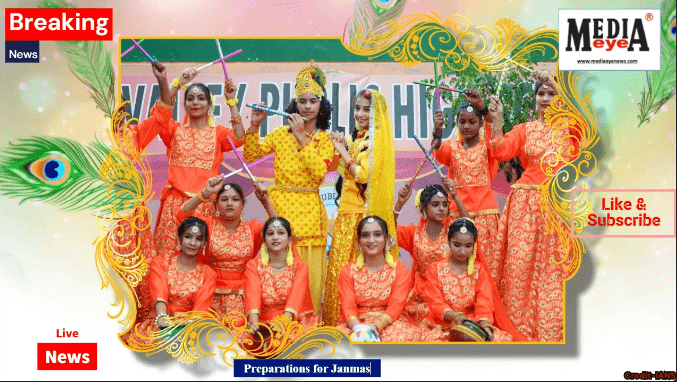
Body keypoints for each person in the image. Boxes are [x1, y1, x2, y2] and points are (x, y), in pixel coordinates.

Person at [487, 70, 580, 341]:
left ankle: (554, 331)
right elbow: (501, 150)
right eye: (541, 93)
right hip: (525, 205)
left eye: (551, 94)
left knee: (555, 271)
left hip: (559, 207)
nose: (546, 98)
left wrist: (554, 81)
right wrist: (498, 120)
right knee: (519, 268)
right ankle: (516, 328)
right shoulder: (526, 129)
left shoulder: (572, 130)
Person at [244, 62, 336, 314]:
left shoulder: (326, 140)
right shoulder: (279, 134)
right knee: (278, 279)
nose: (307, 106)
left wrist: (301, 136)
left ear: (321, 105)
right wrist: (254, 126)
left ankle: (308, 333)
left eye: (313, 101)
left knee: (310, 283)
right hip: (279, 211)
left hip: (309, 215)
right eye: (302, 101)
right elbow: (251, 155)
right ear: (295, 104)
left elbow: (319, 173)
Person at [127, 61, 245, 256]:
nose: (196, 102)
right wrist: (177, 83)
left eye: (201, 98)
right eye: (190, 99)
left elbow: (240, 137)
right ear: (185, 105)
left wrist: (232, 101)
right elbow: (159, 115)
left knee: (202, 261)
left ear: (209, 104)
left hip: (205, 206)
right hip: (174, 205)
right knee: (167, 258)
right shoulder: (174, 130)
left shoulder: (217, 133)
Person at [323, 88, 397, 326]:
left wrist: (343, 151)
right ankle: (335, 325)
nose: (360, 114)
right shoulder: (357, 139)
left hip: (360, 216)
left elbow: (363, 175)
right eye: (357, 108)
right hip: (345, 213)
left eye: (367, 110)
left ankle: (361, 324)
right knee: (338, 273)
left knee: (357, 273)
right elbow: (340, 171)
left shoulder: (374, 142)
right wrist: (342, 145)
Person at [176, 177, 275, 325]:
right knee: (209, 339)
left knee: (242, 339)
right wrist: (204, 193)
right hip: (209, 295)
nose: (229, 203)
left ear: (243, 204)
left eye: (235, 199)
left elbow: (279, 230)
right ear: (216, 205)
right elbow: (182, 216)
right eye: (224, 199)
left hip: (244, 297)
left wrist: (265, 202)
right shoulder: (208, 225)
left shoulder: (252, 228)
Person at [431, 89, 502, 274]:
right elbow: (437, 149)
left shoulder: (487, 145)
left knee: (487, 267)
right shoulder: (451, 147)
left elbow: (492, 127)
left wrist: (481, 106)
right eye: (461, 122)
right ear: (456, 124)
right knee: (457, 267)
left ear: (479, 124)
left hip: (485, 216)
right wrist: (437, 130)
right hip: (456, 216)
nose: (467, 126)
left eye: (472, 121)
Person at [122, 217, 216, 345]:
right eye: (188, 237)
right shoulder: (160, 262)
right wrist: (162, 318)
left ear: (204, 244)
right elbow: (159, 291)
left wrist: (186, 326)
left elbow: (201, 308)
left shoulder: (208, 273)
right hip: (160, 321)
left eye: (198, 239)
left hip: (189, 328)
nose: (193, 243)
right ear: (179, 239)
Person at [423, 218, 518, 342]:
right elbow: (435, 303)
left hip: (471, 323)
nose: (462, 251)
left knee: (501, 340)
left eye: (468, 246)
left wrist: (484, 327)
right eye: (457, 245)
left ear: (474, 245)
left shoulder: (479, 270)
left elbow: (484, 303)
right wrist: (455, 317)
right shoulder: (435, 268)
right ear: (448, 241)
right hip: (442, 324)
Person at [336, 216, 422, 342]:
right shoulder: (348, 270)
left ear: (387, 238)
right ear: (358, 240)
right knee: (338, 340)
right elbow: (348, 306)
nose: (371, 240)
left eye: (377, 235)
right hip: (356, 322)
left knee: (407, 336)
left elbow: (396, 305)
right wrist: (358, 329)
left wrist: (376, 326)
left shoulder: (399, 268)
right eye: (365, 235)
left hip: (389, 322)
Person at [393, 182, 469, 322]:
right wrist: (399, 203)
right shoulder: (413, 233)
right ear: (423, 209)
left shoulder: (451, 234)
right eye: (435, 205)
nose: (441, 209)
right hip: (421, 301)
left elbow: (468, 225)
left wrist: (455, 195)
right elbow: (388, 230)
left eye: (445, 205)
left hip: (450, 299)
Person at [244, 217, 318, 338]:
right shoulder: (254, 265)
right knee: (242, 342)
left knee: (290, 342)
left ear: (289, 239)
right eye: (270, 233)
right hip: (261, 320)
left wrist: (285, 321)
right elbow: (253, 295)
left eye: (281, 233)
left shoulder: (300, 267)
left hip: (292, 320)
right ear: (264, 240)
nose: (275, 237)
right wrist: (253, 323)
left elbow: (296, 297)